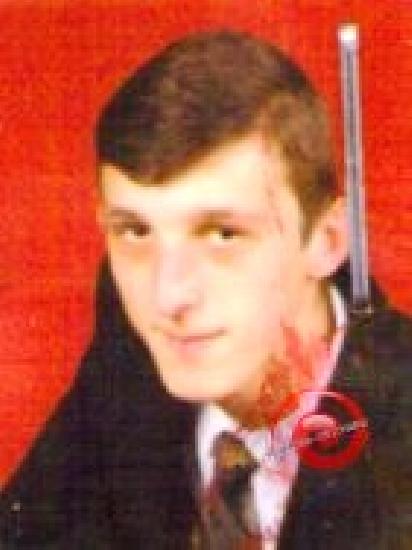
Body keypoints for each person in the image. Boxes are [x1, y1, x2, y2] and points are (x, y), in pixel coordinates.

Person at [1, 30, 412, 549]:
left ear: (327, 241)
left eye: (223, 235)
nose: (168, 297)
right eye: (136, 231)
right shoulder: (131, 349)